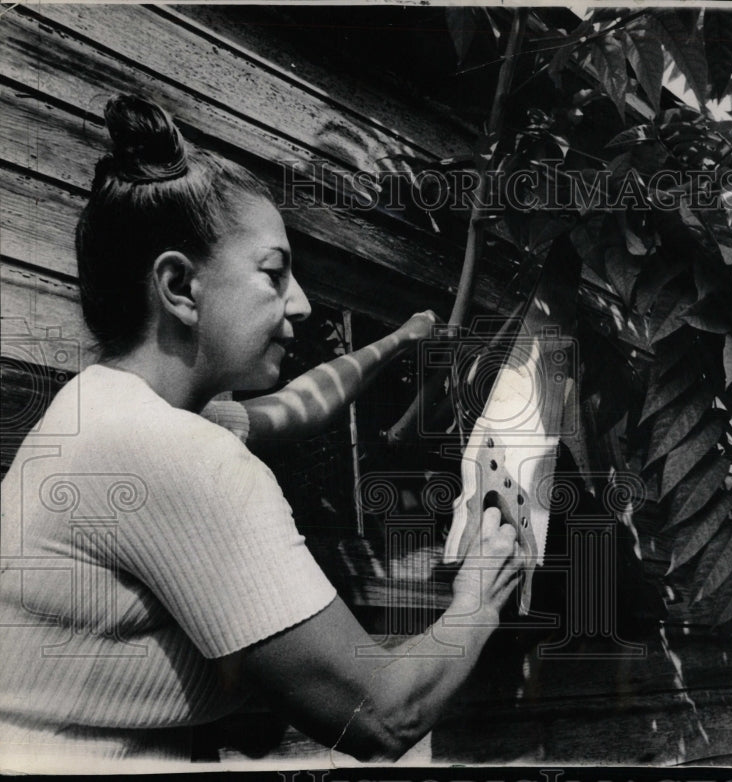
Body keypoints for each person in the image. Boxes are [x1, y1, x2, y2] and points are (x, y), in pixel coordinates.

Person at [0, 94, 521, 766]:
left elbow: (299, 406)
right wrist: (481, 596)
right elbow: (384, 715)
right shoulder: (180, 455)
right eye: (274, 274)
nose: (301, 303)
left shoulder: (100, 410)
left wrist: (397, 341)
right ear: (181, 287)